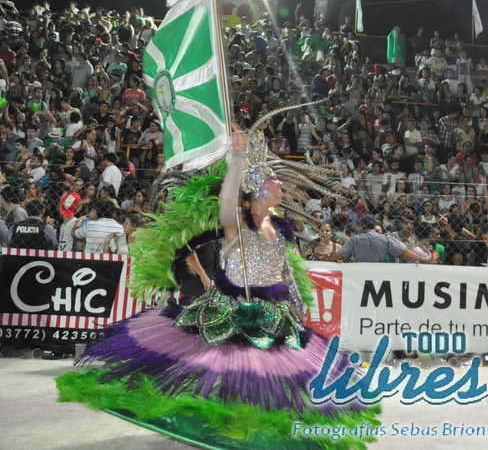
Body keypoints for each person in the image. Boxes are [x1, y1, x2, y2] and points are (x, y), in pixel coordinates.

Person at [58, 122, 378, 447]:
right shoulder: (236, 223)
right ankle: (212, 420)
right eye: (275, 184)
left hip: (274, 311)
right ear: (257, 191)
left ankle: (249, 426)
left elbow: (286, 272)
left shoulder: (280, 228)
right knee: (224, 365)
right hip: (232, 307)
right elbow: (228, 197)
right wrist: (237, 158)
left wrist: (296, 304)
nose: (281, 189)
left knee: (267, 372)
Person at [329, 214, 434, 264]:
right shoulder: (384, 238)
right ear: (374, 225)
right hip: (379, 273)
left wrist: (325, 259)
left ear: (361, 226)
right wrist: (424, 259)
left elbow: (339, 255)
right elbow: (404, 251)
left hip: (360, 272)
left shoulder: (355, 239)